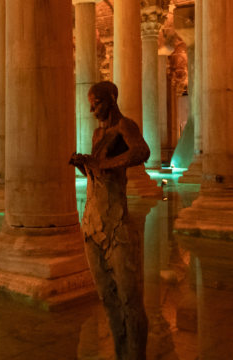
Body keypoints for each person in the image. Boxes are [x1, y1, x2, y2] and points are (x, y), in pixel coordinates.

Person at [70, 80, 150, 360]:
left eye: (98, 103)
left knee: (130, 300)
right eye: (90, 104)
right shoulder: (96, 135)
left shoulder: (125, 126)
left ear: (112, 100)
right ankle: (120, 353)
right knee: (107, 298)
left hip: (116, 224)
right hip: (92, 222)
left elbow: (142, 152)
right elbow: (100, 176)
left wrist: (101, 164)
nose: (92, 109)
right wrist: (85, 165)